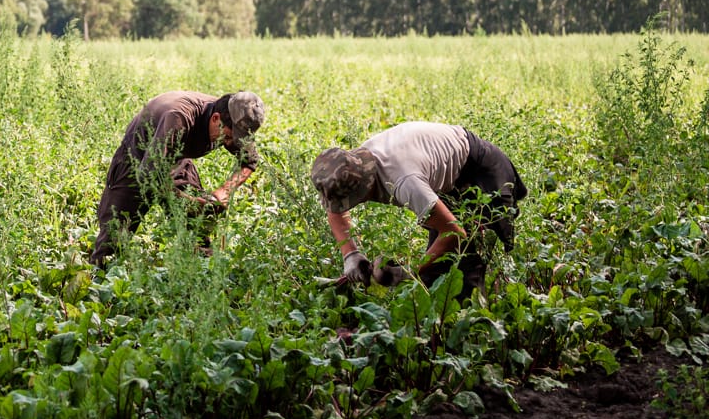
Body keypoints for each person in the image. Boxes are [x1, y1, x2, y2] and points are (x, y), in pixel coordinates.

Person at [310, 121, 527, 297]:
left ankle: (476, 331)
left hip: (481, 169)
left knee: (461, 263)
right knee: (437, 269)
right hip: (448, 179)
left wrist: (410, 271)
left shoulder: (404, 182)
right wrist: (351, 254)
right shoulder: (349, 168)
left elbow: (455, 233)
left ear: (363, 190)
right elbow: (335, 210)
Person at [89, 90, 265, 267]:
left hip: (175, 159)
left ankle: (200, 277)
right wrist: (189, 202)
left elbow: (249, 162)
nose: (229, 143)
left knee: (197, 227)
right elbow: (148, 175)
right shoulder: (179, 117)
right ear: (215, 118)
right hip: (136, 159)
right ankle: (97, 281)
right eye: (227, 136)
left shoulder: (236, 121)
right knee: (113, 237)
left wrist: (224, 191)